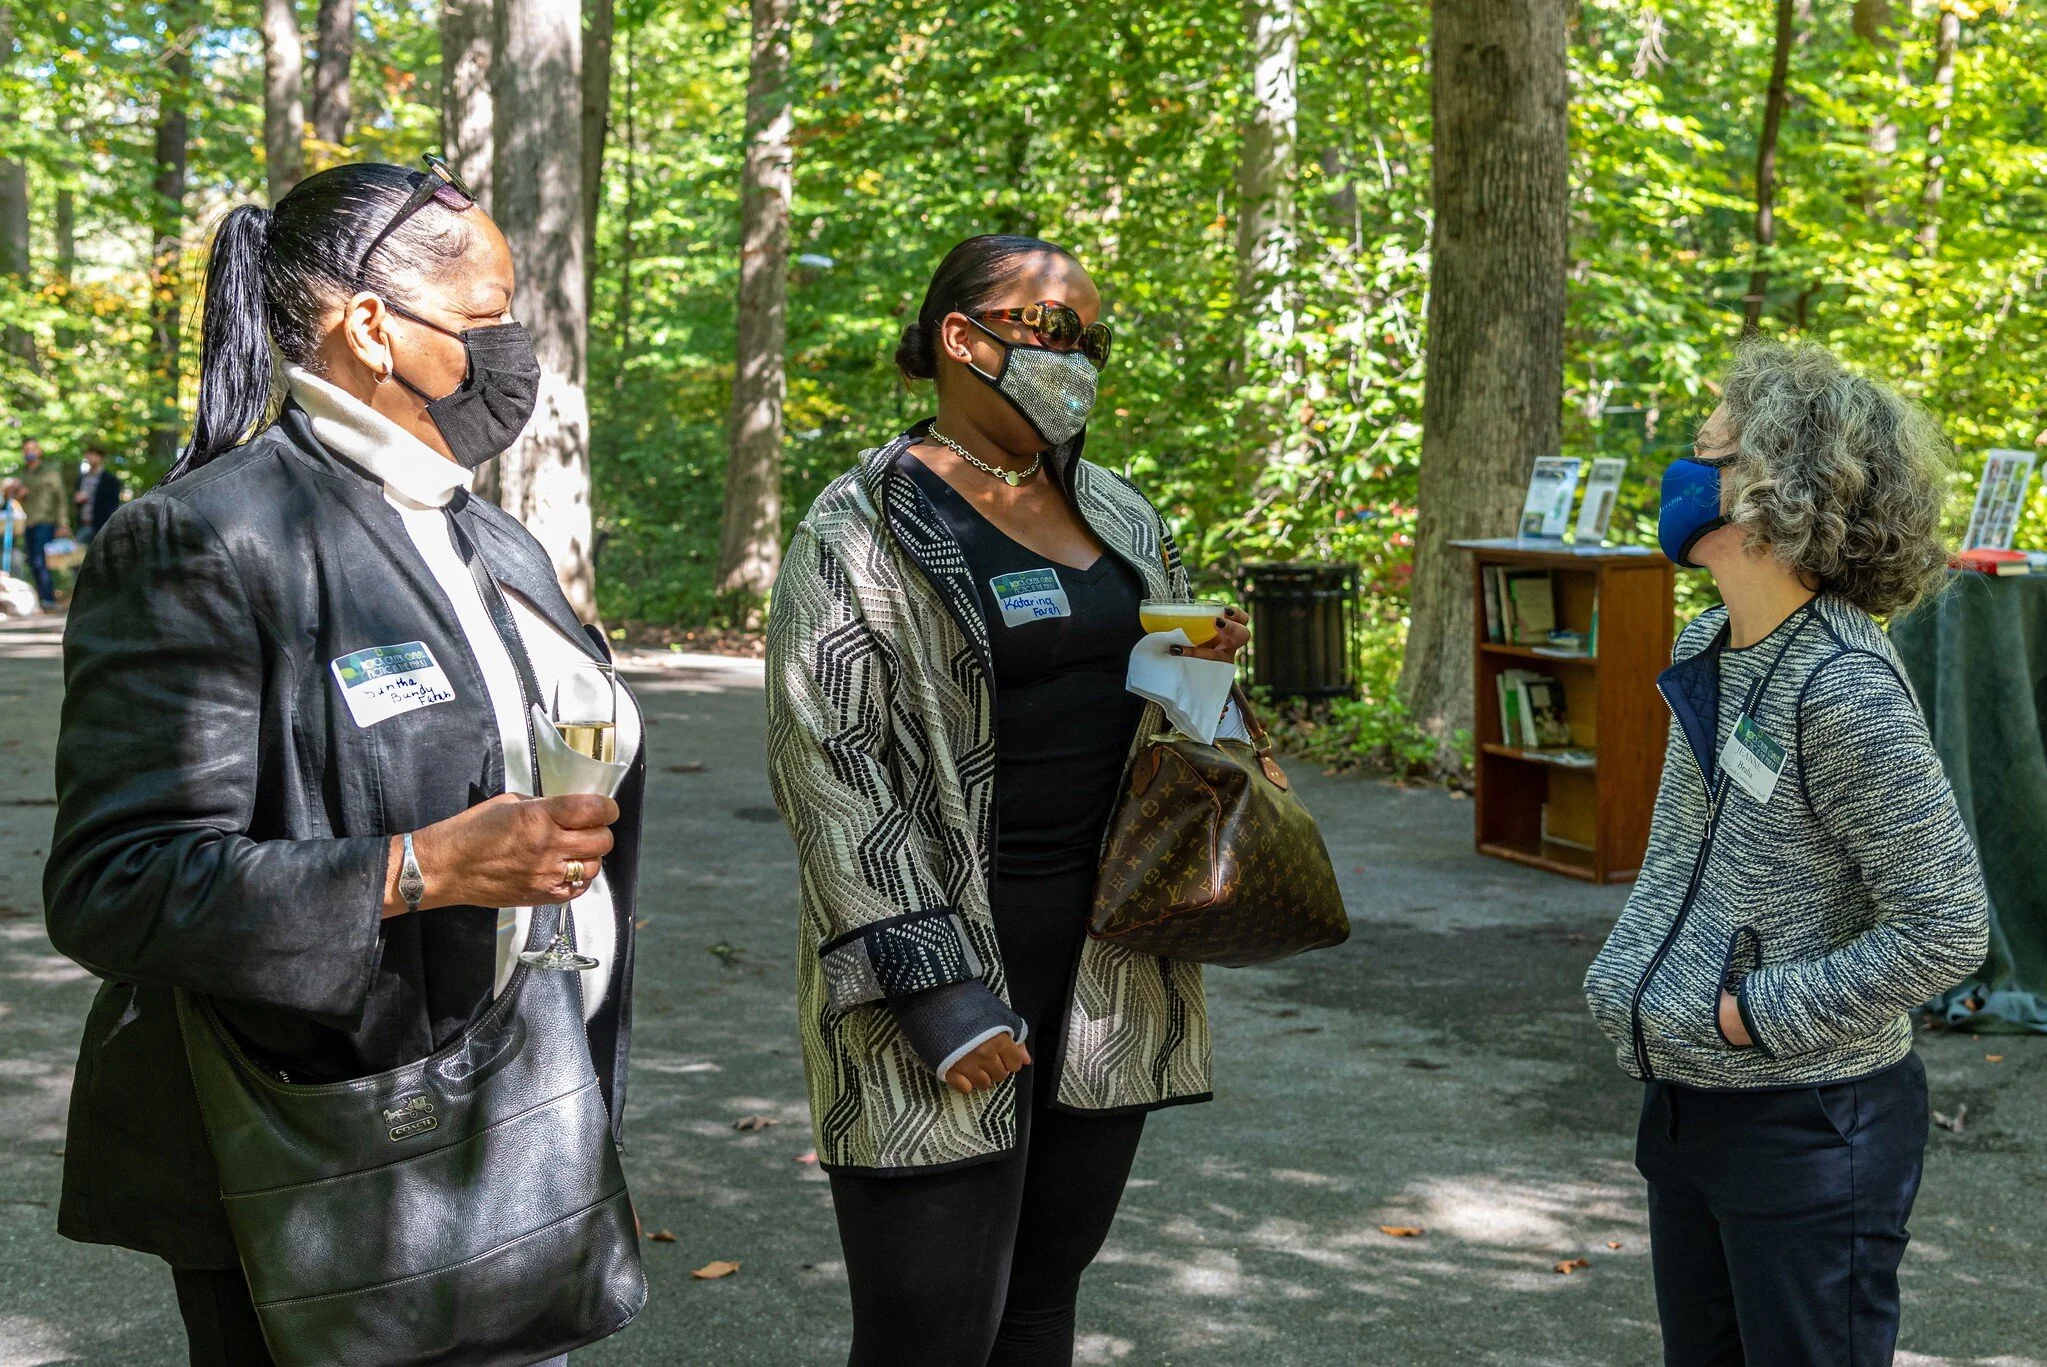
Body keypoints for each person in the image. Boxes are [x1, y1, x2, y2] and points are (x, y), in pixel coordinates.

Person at [43, 159, 647, 1367]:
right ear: (372, 325)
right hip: (336, 1162)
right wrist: (420, 866)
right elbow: (118, 882)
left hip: (522, 1125)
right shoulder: (206, 537)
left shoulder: (491, 534)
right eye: (487, 319)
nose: (515, 351)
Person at [767, 234, 1250, 1367]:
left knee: (1040, 1299)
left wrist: (1202, 666)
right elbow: (828, 764)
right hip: (941, 967)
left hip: (1108, 963)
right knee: (927, 1331)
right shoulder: (858, 529)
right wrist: (937, 994)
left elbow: (1164, 716)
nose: (1076, 358)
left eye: (1092, 340)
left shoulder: (1121, 515)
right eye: (1051, 329)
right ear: (961, 338)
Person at [1583, 339, 1990, 1366]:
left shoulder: (1845, 687)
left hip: (1809, 1124)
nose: (1684, 473)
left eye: (1707, 452)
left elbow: (1947, 927)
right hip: (1688, 1102)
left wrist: (1748, 1013)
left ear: (1774, 489)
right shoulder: (1707, 649)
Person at [11, 438, 70, 608]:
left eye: (33, 448)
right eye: (26, 449)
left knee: (40, 560)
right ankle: (43, 600)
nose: (29, 452)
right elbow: (16, 502)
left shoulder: (50, 472)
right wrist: (17, 494)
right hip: (27, 523)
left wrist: (63, 523)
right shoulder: (22, 475)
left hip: (46, 521)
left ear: (39, 451)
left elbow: (60, 499)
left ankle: (48, 599)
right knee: (32, 561)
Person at [71, 446, 123, 543]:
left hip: (101, 527)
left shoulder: (110, 480)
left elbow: (112, 505)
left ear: (100, 457)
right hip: (83, 525)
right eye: (89, 454)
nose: (90, 457)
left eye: (94, 455)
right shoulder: (82, 478)